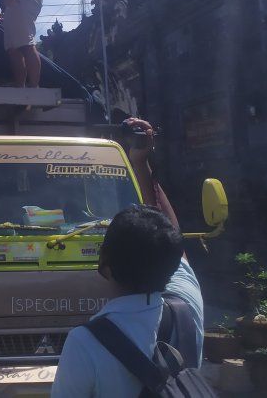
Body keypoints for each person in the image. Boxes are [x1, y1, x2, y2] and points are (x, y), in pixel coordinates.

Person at [51, 118, 204, 397]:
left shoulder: (84, 342)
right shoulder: (188, 309)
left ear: (104, 266)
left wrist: (140, 163)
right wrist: (141, 164)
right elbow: (170, 234)